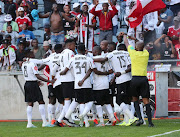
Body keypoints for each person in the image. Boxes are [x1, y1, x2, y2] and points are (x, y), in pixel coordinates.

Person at [60, 43, 110, 127]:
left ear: (77, 50)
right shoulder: (88, 59)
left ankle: (75, 119)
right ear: (85, 50)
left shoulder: (72, 59)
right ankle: (82, 119)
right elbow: (93, 69)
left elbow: (65, 71)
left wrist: (60, 73)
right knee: (89, 101)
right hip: (86, 83)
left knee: (79, 102)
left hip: (77, 84)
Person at [121, 32, 154, 127]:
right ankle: (150, 122)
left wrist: (125, 35)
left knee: (135, 99)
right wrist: (135, 39)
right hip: (143, 79)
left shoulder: (133, 53)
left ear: (136, 47)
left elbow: (126, 43)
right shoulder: (146, 54)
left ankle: (140, 119)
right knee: (146, 101)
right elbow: (141, 46)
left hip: (134, 79)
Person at [21, 51, 56, 128]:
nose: (34, 55)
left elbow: (31, 75)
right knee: (41, 101)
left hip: (27, 83)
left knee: (30, 103)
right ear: (29, 55)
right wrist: (49, 81)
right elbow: (37, 75)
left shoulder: (23, 64)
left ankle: (29, 123)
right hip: (33, 84)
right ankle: (44, 122)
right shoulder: (32, 64)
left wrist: (37, 81)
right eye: (32, 54)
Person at [53, 39, 76, 127]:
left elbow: (55, 67)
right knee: (71, 100)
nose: (75, 47)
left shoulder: (61, 54)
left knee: (67, 100)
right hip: (70, 79)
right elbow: (71, 65)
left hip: (63, 80)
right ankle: (68, 119)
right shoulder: (70, 53)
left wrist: (53, 76)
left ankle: (59, 120)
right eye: (74, 45)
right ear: (69, 45)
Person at [92, 46, 115, 127]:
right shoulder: (105, 59)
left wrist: (102, 73)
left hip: (97, 85)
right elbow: (111, 71)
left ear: (95, 51)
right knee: (107, 103)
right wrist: (106, 74)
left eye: (93, 50)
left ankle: (101, 122)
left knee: (98, 104)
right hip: (106, 83)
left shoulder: (93, 59)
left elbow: (95, 71)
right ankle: (112, 118)